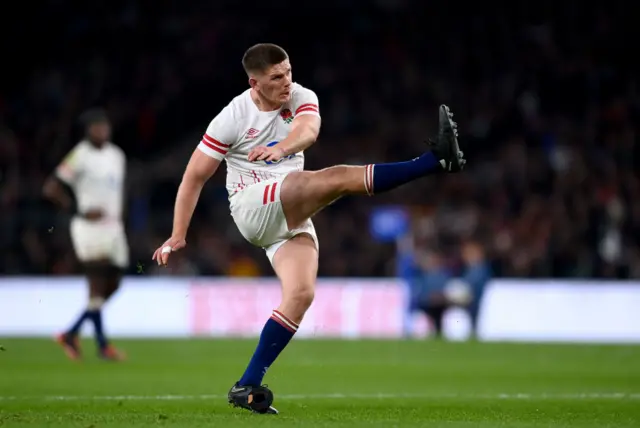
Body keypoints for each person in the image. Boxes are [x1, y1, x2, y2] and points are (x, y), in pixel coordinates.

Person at [152, 43, 465, 414]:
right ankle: (433, 161)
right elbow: (193, 177)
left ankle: (247, 384)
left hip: (288, 210)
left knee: (300, 294)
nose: (286, 81)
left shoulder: (300, 95)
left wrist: (282, 148)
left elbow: (309, 130)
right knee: (332, 179)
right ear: (255, 83)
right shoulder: (232, 116)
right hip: (252, 206)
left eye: (288, 72)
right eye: (275, 77)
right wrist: (178, 234)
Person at [43, 108, 128, 361]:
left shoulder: (117, 155)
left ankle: (71, 333)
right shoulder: (80, 155)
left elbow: (119, 190)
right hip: (88, 228)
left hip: (114, 228)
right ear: (88, 130)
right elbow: (51, 188)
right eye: (96, 127)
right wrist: (77, 210)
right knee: (98, 280)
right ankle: (102, 346)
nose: (102, 131)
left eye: (105, 126)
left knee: (113, 283)